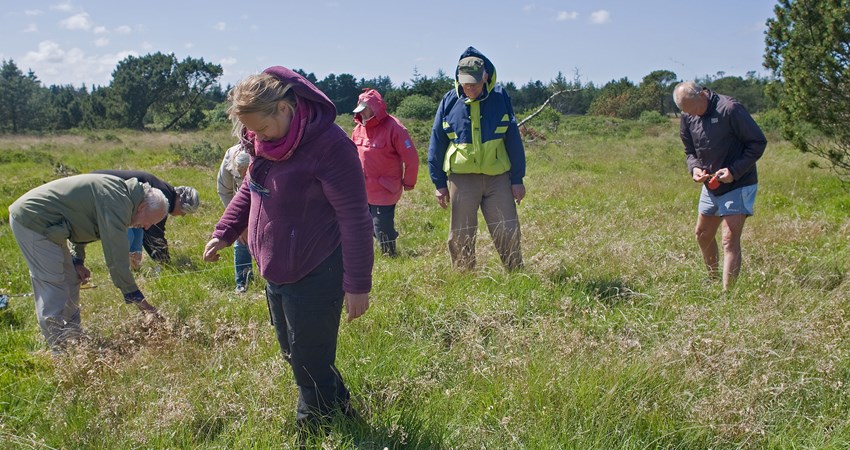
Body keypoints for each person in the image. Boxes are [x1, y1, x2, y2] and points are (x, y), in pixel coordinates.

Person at [202, 66, 374, 428]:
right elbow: (251, 187)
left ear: (284, 108)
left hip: (317, 268)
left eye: (261, 128)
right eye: (250, 131)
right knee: (294, 352)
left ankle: (314, 431)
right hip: (275, 268)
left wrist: (358, 284)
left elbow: (356, 218)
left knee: (308, 361)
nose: (256, 137)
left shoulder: (330, 147)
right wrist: (225, 231)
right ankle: (344, 413)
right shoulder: (263, 143)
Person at [8, 174, 168, 353]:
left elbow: (81, 221)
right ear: (143, 206)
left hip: (51, 226)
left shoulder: (122, 197)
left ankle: (75, 340)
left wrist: (78, 260)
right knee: (53, 284)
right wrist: (141, 302)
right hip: (33, 221)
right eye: (149, 221)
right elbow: (116, 258)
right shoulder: (118, 203)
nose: (146, 227)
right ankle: (61, 354)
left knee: (71, 279)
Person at [427, 46, 526, 271]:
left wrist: (517, 178)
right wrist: (439, 183)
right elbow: (436, 142)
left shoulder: (501, 98)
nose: (469, 88)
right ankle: (465, 280)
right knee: (460, 235)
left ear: (486, 77)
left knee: (507, 229)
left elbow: (513, 139)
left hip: (497, 178)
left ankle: (517, 275)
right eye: (465, 83)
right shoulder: (449, 101)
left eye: (474, 82)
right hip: (462, 180)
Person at [673, 81, 767, 290]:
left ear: (702, 95)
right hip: (710, 185)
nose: (692, 115)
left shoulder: (730, 109)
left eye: (693, 109)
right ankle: (712, 278)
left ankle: (728, 295)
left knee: (728, 239)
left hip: (738, 183)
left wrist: (733, 171)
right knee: (702, 235)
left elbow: (758, 142)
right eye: (686, 112)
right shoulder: (688, 115)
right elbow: (689, 150)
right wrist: (695, 168)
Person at [351, 88, 419, 257]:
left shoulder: (395, 128)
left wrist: (409, 182)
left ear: (375, 108)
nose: (363, 114)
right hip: (362, 189)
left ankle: (390, 256)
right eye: (360, 110)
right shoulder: (358, 129)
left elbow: (411, 158)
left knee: (381, 226)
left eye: (366, 110)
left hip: (385, 189)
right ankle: (376, 251)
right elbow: (351, 156)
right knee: (366, 225)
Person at [92, 170, 199, 269]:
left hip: (103, 189)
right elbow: (154, 234)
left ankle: (133, 267)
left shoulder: (165, 190)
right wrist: (165, 263)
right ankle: (117, 269)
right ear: (181, 204)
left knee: (138, 230)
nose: (183, 215)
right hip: (97, 190)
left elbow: (147, 229)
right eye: (185, 212)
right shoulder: (163, 197)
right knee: (129, 235)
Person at [216, 143, 255, 293]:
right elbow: (224, 190)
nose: (244, 178)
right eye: (240, 174)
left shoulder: (265, 155)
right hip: (241, 204)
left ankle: (274, 284)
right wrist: (238, 224)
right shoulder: (230, 155)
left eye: (248, 173)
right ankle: (243, 286)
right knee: (241, 241)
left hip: (267, 201)